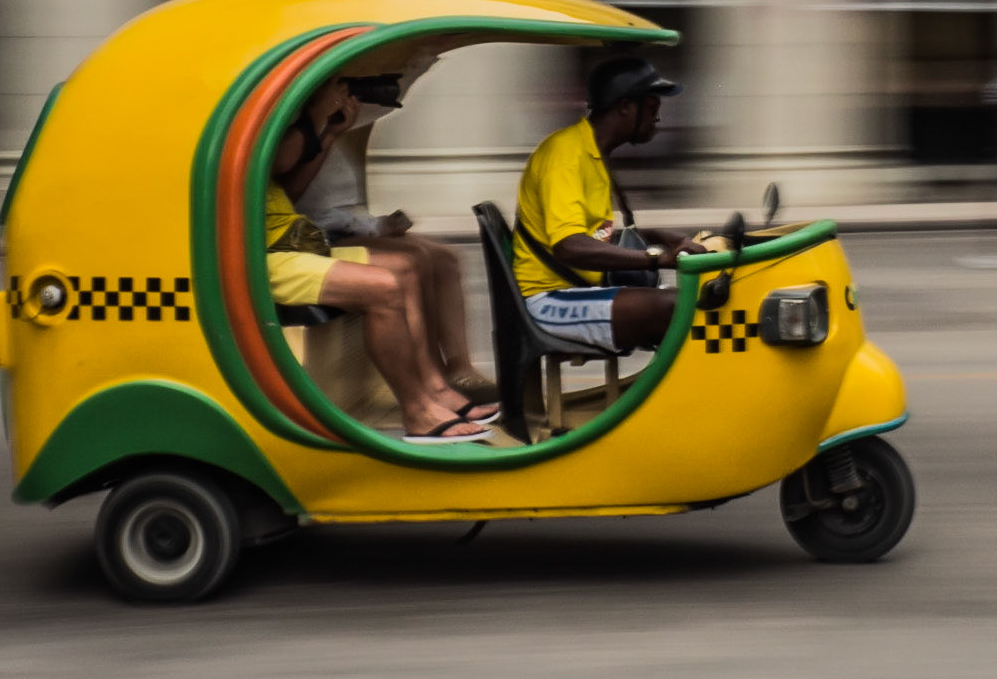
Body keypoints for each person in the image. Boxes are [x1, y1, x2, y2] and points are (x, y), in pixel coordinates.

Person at [268, 77, 491, 443]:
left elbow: (287, 190)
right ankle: (417, 411)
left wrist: (328, 133)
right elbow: (279, 164)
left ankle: (434, 388)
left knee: (407, 269)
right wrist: (316, 116)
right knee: (385, 287)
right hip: (267, 252)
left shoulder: (301, 139)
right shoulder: (265, 135)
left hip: (291, 241)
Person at [512, 56, 698, 355]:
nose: (658, 119)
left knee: (699, 303)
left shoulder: (593, 153)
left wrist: (657, 236)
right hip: (548, 301)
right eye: (652, 107)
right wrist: (658, 258)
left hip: (576, 291)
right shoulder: (565, 155)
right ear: (625, 106)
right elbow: (569, 246)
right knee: (678, 307)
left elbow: (593, 236)